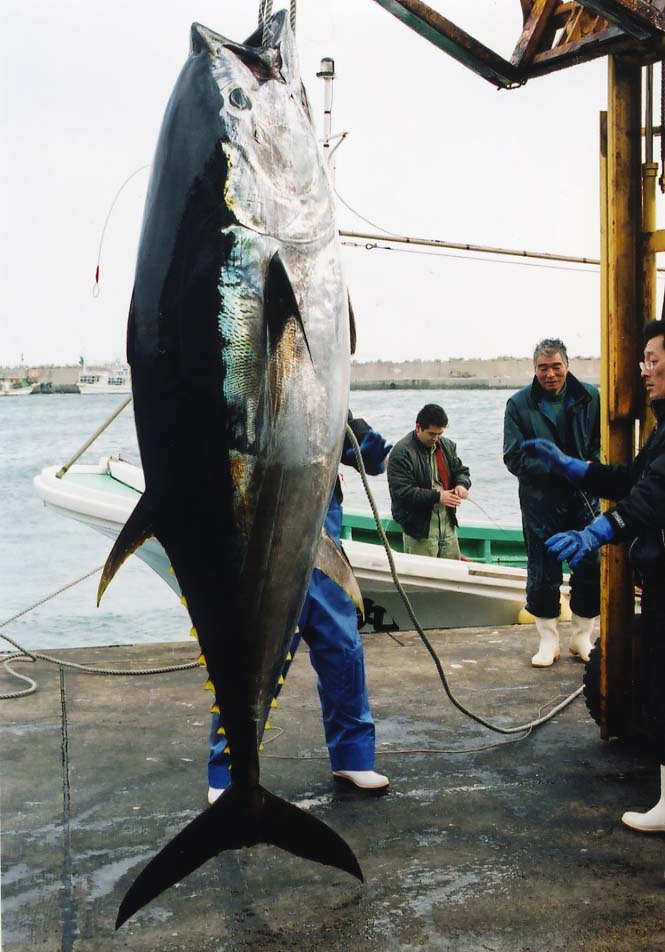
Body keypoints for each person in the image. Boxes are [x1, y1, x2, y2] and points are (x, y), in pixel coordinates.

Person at [523, 319, 665, 833]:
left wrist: (597, 531)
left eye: (652, 360)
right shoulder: (661, 424)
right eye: (643, 360)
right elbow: (632, 478)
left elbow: (651, 498)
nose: (643, 371)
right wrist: (574, 467)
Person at [208, 412, 393, 804]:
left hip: (323, 549)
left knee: (344, 653)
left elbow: (373, 460)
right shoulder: (253, 405)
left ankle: (353, 757)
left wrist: (378, 447)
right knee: (247, 659)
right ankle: (225, 769)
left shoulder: (331, 410)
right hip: (266, 552)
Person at [503, 338, 601, 668]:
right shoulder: (518, 404)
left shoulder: (591, 396)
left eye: (556, 366)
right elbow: (513, 458)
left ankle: (581, 636)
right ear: (535, 369)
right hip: (539, 502)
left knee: (590, 566)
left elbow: (600, 446)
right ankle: (548, 640)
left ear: (567, 365)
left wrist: (590, 472)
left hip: (583, 497)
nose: (550, 374)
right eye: (543, 368)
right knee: (542, 571)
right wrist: (556, 466)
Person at [387, 403, 471, 559]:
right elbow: (402, 492)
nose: (436, 438)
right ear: (418, 428)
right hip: (419, 528)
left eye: (440, 434)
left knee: (452, 576)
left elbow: (461, 471)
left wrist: (461, 485)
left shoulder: (447, 446)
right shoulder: (401, 453)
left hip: (448, 525)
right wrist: (438, 497)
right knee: (422, 577)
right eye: (432, 434)